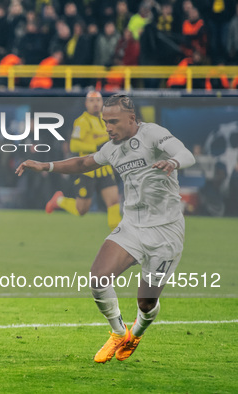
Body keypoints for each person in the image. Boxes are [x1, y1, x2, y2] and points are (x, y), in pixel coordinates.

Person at [16, 94, 195, 363]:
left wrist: (174, 162)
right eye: (105, 121)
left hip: (165, 232)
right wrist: (45, 165)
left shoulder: (153, 134)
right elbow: (83, 163)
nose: (108, 127)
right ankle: (117, 332)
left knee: (146, 303)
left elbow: (185, 153)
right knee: (98, 279)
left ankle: (136, 333)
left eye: (113, 121)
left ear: (132, 119)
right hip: (132, 226)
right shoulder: (112, 148)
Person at [45, 91, 122, 231]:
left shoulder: (107, 120)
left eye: (98, 101)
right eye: (92, 101)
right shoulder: (82, 121)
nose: (95, 104)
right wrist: (95, 147)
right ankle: (59, 200)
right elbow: (74, 145)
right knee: (81, 210)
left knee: (113, 202)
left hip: (104, 169)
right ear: (86, 104)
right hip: (87, 170)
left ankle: (118, 239)